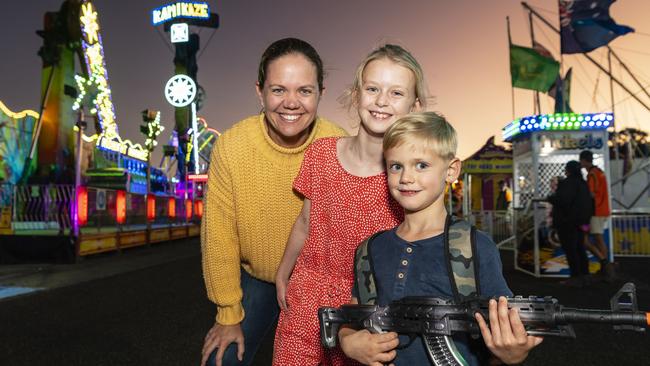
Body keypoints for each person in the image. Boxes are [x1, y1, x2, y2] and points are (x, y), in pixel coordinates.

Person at [337, 112, 543, 365]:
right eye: (396, 166)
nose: (406, 178)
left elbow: (501, 327)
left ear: (451, 170)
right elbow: (353, 313)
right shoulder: (371, 248)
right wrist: (348, 340)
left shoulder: (474, 246)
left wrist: (512, 355)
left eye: (421, 165)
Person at [272, 44, 428, 365]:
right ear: (357, 95)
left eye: (396, 93)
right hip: (306, 296)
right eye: (372, 88)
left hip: (366, 312)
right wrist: (283, 273)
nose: (382, 101)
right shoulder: (321, 154)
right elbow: (305, 222)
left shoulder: (407, 181)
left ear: (415, 106)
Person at [200, 38, 346, 366]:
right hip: (259, 277)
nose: (291, 103)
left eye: (304, 91)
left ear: (320, 92)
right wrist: (228, 314)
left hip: (320, 281)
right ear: (259, 91)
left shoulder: (338, 145)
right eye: (279, 90)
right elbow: (219, 236)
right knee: (221, 360)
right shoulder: (232, 147)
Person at [547, 161, 592, 287]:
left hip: (567, 223)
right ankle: (585, 275)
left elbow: (562, 201)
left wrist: (551, 198)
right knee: (580, 249)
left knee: (571, 250)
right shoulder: (583, 184)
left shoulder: (567, 184)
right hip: (582, 223)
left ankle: (575, 277)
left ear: (568, 170)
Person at [579, 150, 615, 281]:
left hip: (596, 211)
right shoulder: (599, 172)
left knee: (593, 239)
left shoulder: (592, 175)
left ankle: (605, 265)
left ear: (583, 161)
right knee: (598, 239)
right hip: (603, 210)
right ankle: (605, 267)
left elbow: (591, 194)